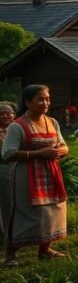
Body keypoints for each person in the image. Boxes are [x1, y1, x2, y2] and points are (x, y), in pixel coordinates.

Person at [2, 85, 69, 266]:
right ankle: (10, 255)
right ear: (27, 102)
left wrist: (60, 152)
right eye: (40, 99)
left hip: (51, 173)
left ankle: (45, 249)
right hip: (26, 176)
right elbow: (7, 153)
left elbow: (64, 145)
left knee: (51, 211)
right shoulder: (18, 126)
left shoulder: (53, 122)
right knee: (24, 213)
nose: (45, 103)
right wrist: (40, 154)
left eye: (47, 99)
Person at [0, 102, 17, 242]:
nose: (6, 116)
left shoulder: (17, 129)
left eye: (8, 113)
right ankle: (8, 234)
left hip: (19, 169)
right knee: (7, 202)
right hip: (4, 169)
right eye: (2, 113)